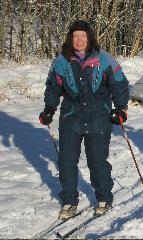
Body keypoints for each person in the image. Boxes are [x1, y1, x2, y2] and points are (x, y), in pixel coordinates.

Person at [39, 20, 129, 220]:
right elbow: (53, 87)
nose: (79, 41)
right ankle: (70, 201)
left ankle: (104, 197)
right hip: (71, 116)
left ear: (89, 38)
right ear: (70, 39)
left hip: (99, 116)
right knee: (66, 161)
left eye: (83, 36)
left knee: (97, 160)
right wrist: (49, 108)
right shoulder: (61, 61)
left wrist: (121, 108)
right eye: (75, 36)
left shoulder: (104, 59)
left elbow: (120, 84)